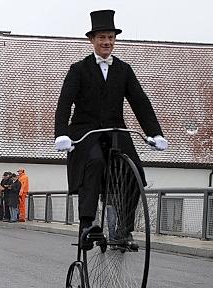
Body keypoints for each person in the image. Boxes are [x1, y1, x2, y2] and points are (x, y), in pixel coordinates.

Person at [54, 10, 168, 250]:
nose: (107, 42)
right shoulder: (79, 69)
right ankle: (88, 224)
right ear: (92, 40)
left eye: (111, 38)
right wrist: (61, 133)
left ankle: (122, 229)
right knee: (93, 162)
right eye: (102, 38)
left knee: (135, 171)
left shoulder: (124, 70)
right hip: (86, 131)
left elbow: (140, 101)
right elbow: (64, 102)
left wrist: (155, 132)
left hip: (115, 130)